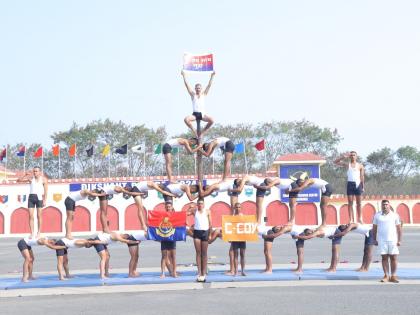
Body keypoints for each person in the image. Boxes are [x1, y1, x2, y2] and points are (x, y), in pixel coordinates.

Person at [373, 199, 402, 283]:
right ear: (381, 206)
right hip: (382, 240)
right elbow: (374, 228)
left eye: (386, 204)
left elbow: (399, 229)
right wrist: (374, 239)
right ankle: (386, 275)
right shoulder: (377, 216)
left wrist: (399, 240)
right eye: (383, 205)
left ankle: (393, 276)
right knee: (384, 258)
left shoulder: (395, 215)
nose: (385, 206)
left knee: (394, 257)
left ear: (389, 206)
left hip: (393, 240)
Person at [181, 69, 215, 137]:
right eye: (196, 88)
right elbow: (187, 85)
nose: (198, 89)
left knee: (212, 120)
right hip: (195, 115)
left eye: (199, 88)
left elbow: (209, 85)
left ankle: (202, 132)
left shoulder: (204, 94)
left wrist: (212, 76)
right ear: (195, 89)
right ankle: (194, 131)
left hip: (202, 114)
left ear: (201, 89)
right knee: (186, 119)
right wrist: (184, 75)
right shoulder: (193, 95)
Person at [17, 167, 48, 238]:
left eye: (36, 171)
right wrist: (25, 175)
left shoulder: (44, 179)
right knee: (31, 215)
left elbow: (46, 191)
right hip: (31, 198)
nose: (35, 173)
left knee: (39, 215)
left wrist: (45, 200)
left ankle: (39, 232)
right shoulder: (31, 179)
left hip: (39, 198)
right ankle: (32, 233)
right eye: (34, 171)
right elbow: (18, 180)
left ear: (40, 172)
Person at [334, 151, 365, 223]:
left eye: (354, 155)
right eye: (351, 155)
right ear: (349, 157)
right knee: (350, 203)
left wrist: (363, 186)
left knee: (359, 203)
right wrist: (343, 157)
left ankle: (360, 218)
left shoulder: (360, 165)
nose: (352, 156)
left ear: (356, 156)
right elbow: (335, 162)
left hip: (358, 184)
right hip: (350, 184)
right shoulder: (348, 165)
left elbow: (362, 176)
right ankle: (351, 219)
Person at [187, 198, 212, 282]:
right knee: (198, 253)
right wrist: (189, 207)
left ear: (204, 204)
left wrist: (210, 234)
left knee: (204, 253)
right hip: (197, 232)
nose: (200, 205)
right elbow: (185, 214)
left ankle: (204, 272)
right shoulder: (195, 211)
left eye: (201, 204)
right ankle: (199, 272)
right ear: (197, 204)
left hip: (205, 232)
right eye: (199, 204)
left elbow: (210, 223)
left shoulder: (207, 211)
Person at [225, 203, 246, 276]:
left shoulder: (244, 216)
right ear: (234, 208)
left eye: (239, 207)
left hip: (242, 237)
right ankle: (236, 271)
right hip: (235, 237)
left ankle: (243, 270)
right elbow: (229, 227)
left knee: (242, 254)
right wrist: (229, 237)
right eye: (236, 207)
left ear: (241, 208)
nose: (238, 208)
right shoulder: (232, 217)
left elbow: (247, 226)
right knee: (236, 255)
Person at [160, 201, 178, 278]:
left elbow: (180, 223)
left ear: (172, 207)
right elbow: (157, 224)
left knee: (173, 256)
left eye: (169, 207)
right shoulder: (162, 216)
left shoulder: (175, 215)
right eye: (167, 207)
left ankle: (174, 272)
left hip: (172, 237)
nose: (168, 208)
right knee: (164, 256)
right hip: (164, 237)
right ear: (165, 207)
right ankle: (163, 273)